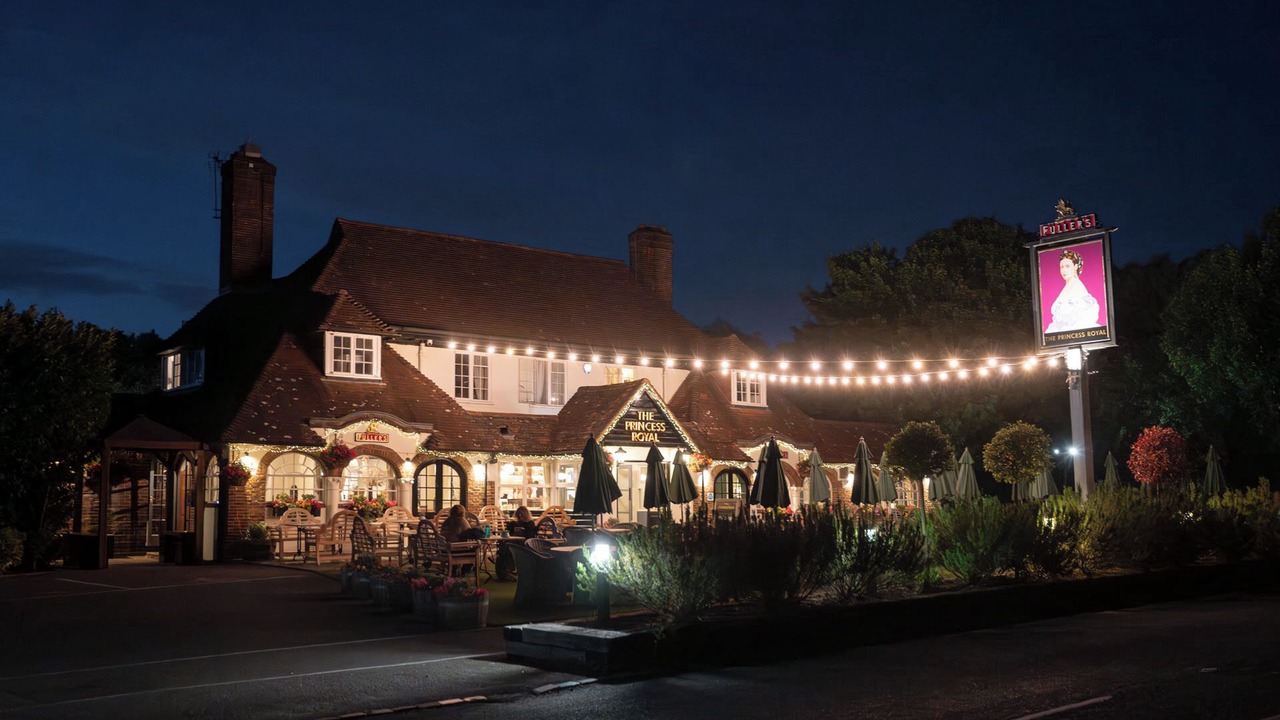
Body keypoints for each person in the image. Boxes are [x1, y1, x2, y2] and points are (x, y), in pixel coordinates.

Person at [1045, 249, 1100, 333]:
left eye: (1067, 266)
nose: (1064, 270)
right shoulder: (1067, 287)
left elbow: (1080, 317)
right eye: (1061, 267)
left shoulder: (1078, 287)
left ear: (1075, 267)